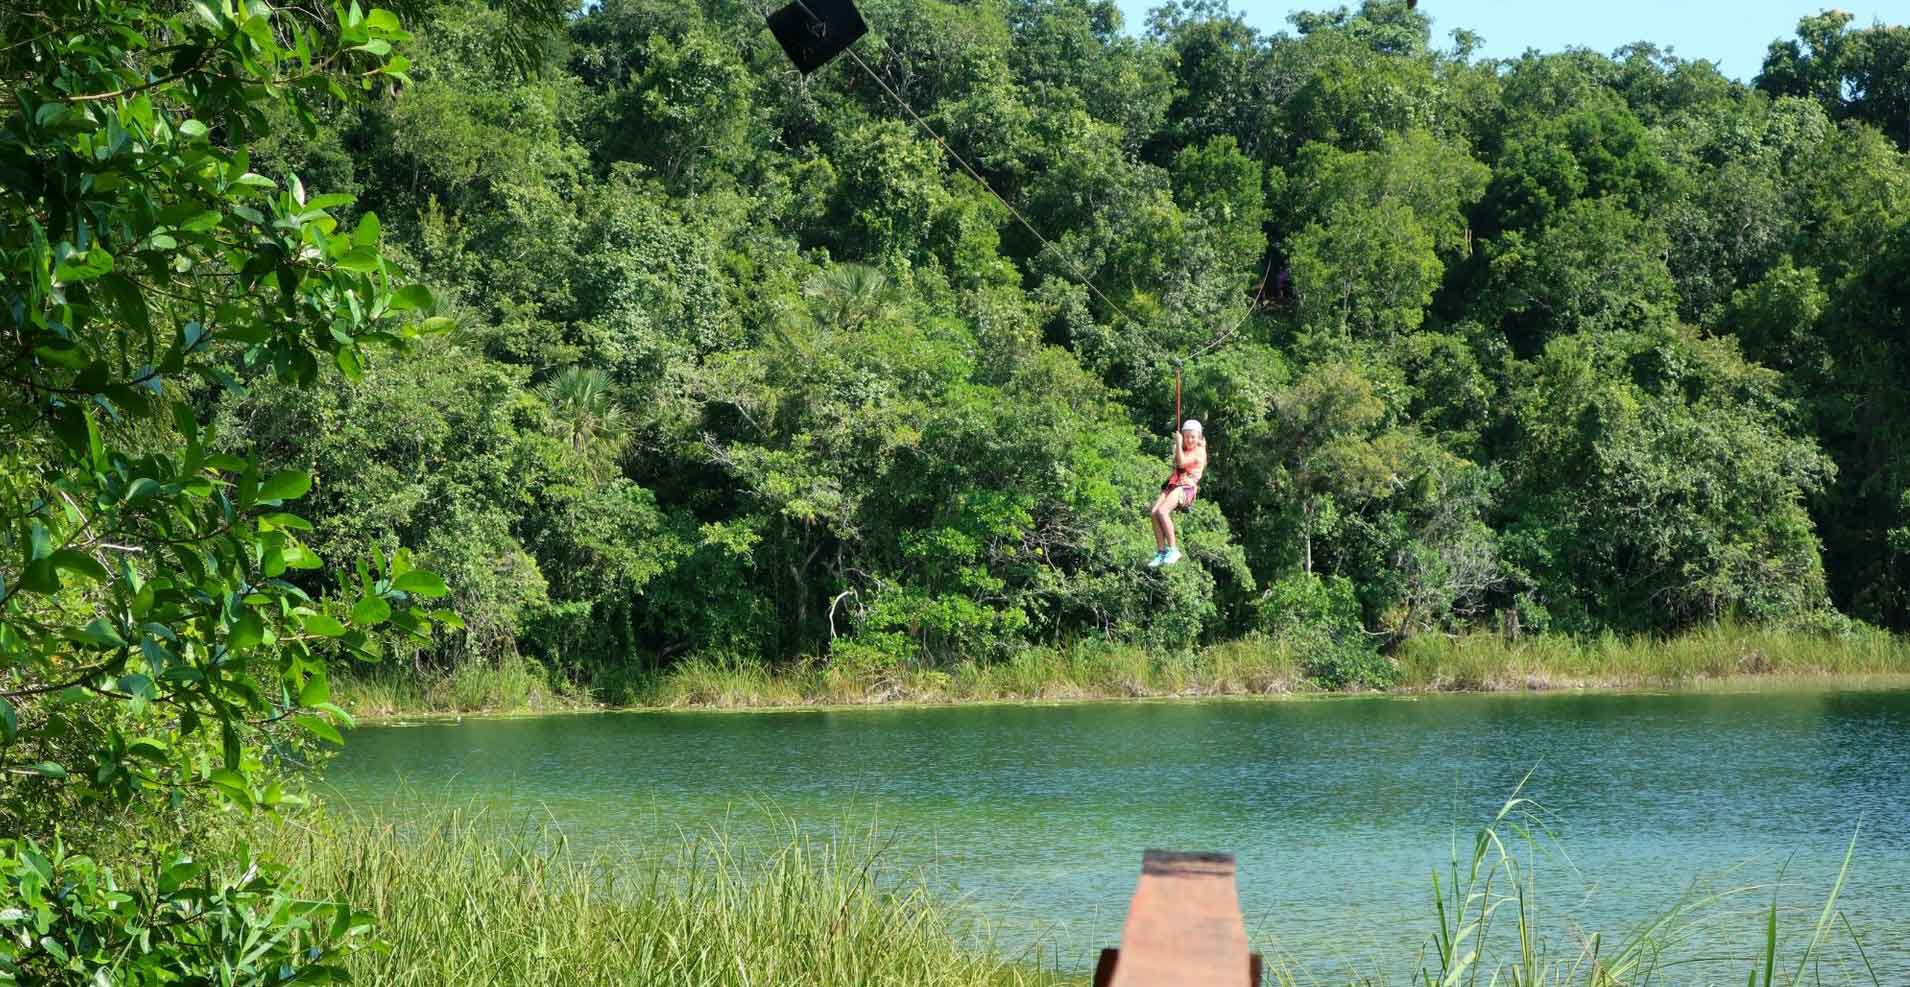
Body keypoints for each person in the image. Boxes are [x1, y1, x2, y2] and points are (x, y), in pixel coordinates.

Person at [1148, 420, 1207, 567]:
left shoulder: (1199, 452)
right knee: (1154, 512)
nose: (1189, 440)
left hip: (1186, 488)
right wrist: (1178, 447)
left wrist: (1179, 444)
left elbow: (1181, 463)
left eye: (1193, 437)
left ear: (1199, 438)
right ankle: (1161, 552)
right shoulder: (1185, 449)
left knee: (1162, 512)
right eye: (1186, 437)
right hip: (1174, 484)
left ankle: (1173, 549)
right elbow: (1178, 464)